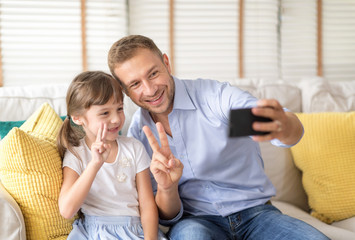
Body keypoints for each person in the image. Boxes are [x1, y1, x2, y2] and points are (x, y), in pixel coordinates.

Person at [107, 35, 330, 240]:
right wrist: (168, 188)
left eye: (153, 73)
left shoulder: (214, 98)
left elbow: (275, 125)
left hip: (257, 216)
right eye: (135, 84)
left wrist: (282, 126)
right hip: (196, 222)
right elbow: (168, 216)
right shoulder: (139, 133)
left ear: (166, 62)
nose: (149, 90)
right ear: (125, 91)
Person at [57, 71, 166, 240]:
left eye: (120, 109)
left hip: (134, 230)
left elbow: (147, 205)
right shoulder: (76, 154)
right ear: (78, 118)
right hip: (95, 232)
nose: (116, 119)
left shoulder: (134, 147)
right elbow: (66, 210)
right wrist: (95, 164)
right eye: (105, 113)